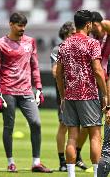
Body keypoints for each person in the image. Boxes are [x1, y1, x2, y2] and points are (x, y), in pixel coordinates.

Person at [0, 12, 52, 173]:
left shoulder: (30, 42)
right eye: (19, 25)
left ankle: (36, 163)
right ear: (11, 24)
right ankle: (11, 162)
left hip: (26, 91)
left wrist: (39, 88)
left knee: (36, 123)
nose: (22, 29)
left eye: (24, 26)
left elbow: (35, 66)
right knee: (8, 127)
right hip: (7, 90)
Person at [56, 9, 108, 177]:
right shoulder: (93, 43)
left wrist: (63, 95)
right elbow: (98, 71)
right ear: (88, 24)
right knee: (95, 136)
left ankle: (71, 175)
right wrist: (105, 94)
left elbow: (58, 73)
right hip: (88, 95)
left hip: (70, 95)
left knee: (72, 136)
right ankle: (96, 175)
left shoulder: (64, 44)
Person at [51, 21, 88, 172]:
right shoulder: (58, 49)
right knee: (64, 125)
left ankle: (77, 155)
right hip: (65, 93)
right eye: (72, 34)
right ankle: (62, 162)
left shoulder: (80, 48)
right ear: (66, 34)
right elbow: (55, 72)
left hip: (81, 92)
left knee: (87, 125)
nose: (75, 36)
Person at [91, 12, 110, 177]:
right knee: (94, 127)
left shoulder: (107, 35)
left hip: (105, 87)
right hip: (98, 87)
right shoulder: (94, 40)